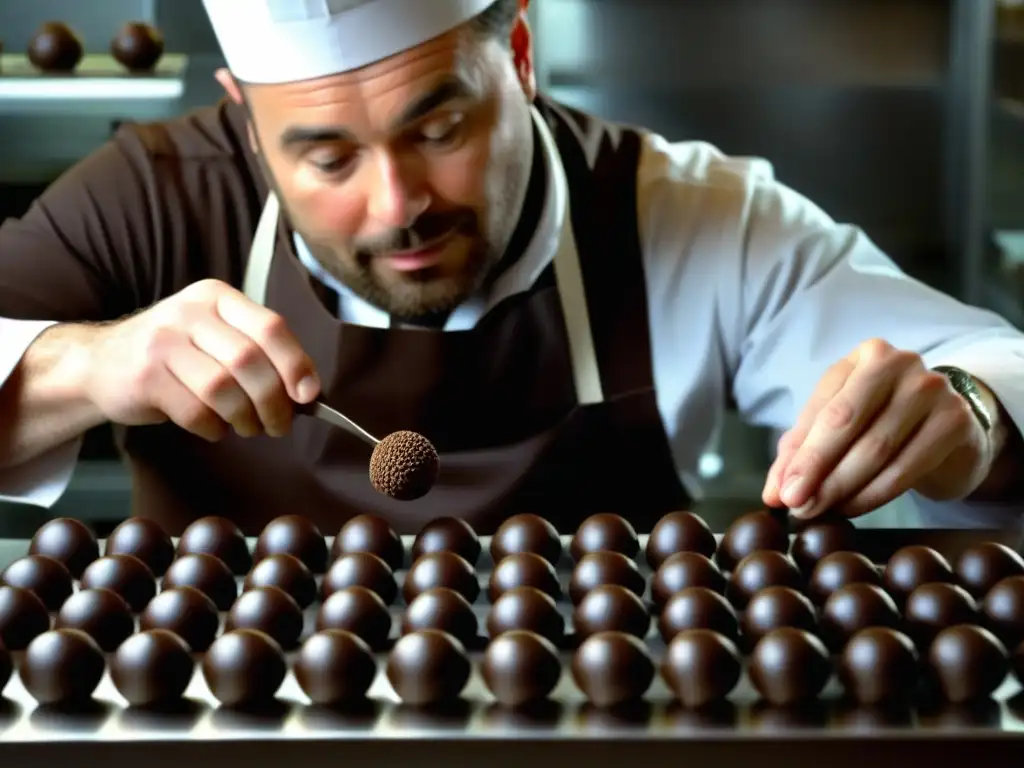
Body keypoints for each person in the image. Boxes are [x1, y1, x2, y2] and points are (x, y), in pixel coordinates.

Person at [0, 0, 1021, 535]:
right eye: (326, 157)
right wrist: (83, 368)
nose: (396, 203)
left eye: (439, 124)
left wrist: (967, 414)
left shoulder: (688, 215)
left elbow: (984, 366)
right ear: (242, 111)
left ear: (519, 55)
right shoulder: (146, 198)